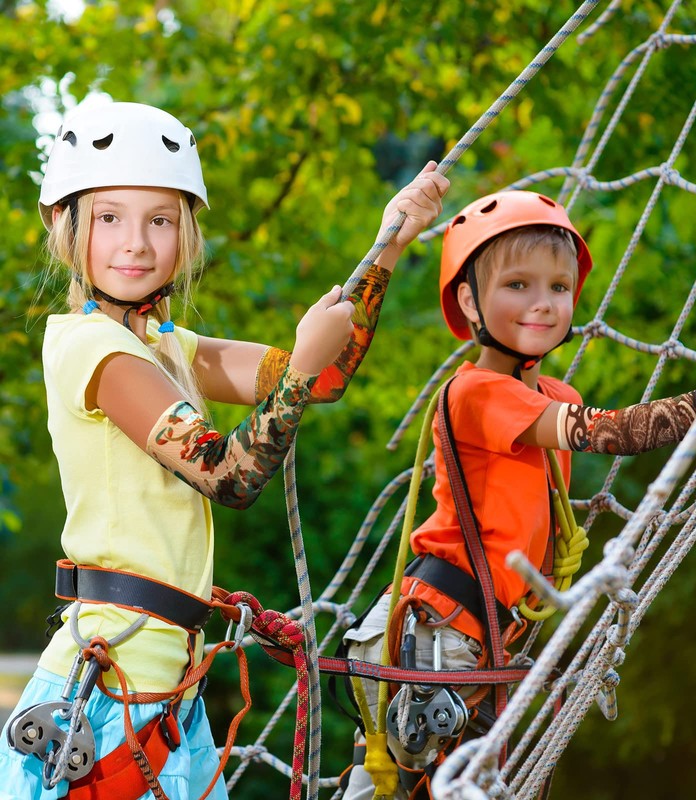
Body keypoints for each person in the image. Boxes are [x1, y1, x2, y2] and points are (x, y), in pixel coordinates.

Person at [0, 101, 449, 800]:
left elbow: (321, 378)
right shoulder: (91, 348)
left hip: (164, 683)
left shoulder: (165, 346)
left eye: (161, 220)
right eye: (110, 217)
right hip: (113, 689)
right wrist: (300, 368)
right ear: (64, 224)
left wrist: (388, 245)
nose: (137, 243)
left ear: (186, 232)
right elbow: (228, 473)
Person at [340, 190, 696, 800]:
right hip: (435, 633)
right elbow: (608, 432)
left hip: (478, 632)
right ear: (469, 300)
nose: (542, 304)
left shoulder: (554, 395)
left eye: (558, 288)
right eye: (517, 285)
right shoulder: (476, 392)